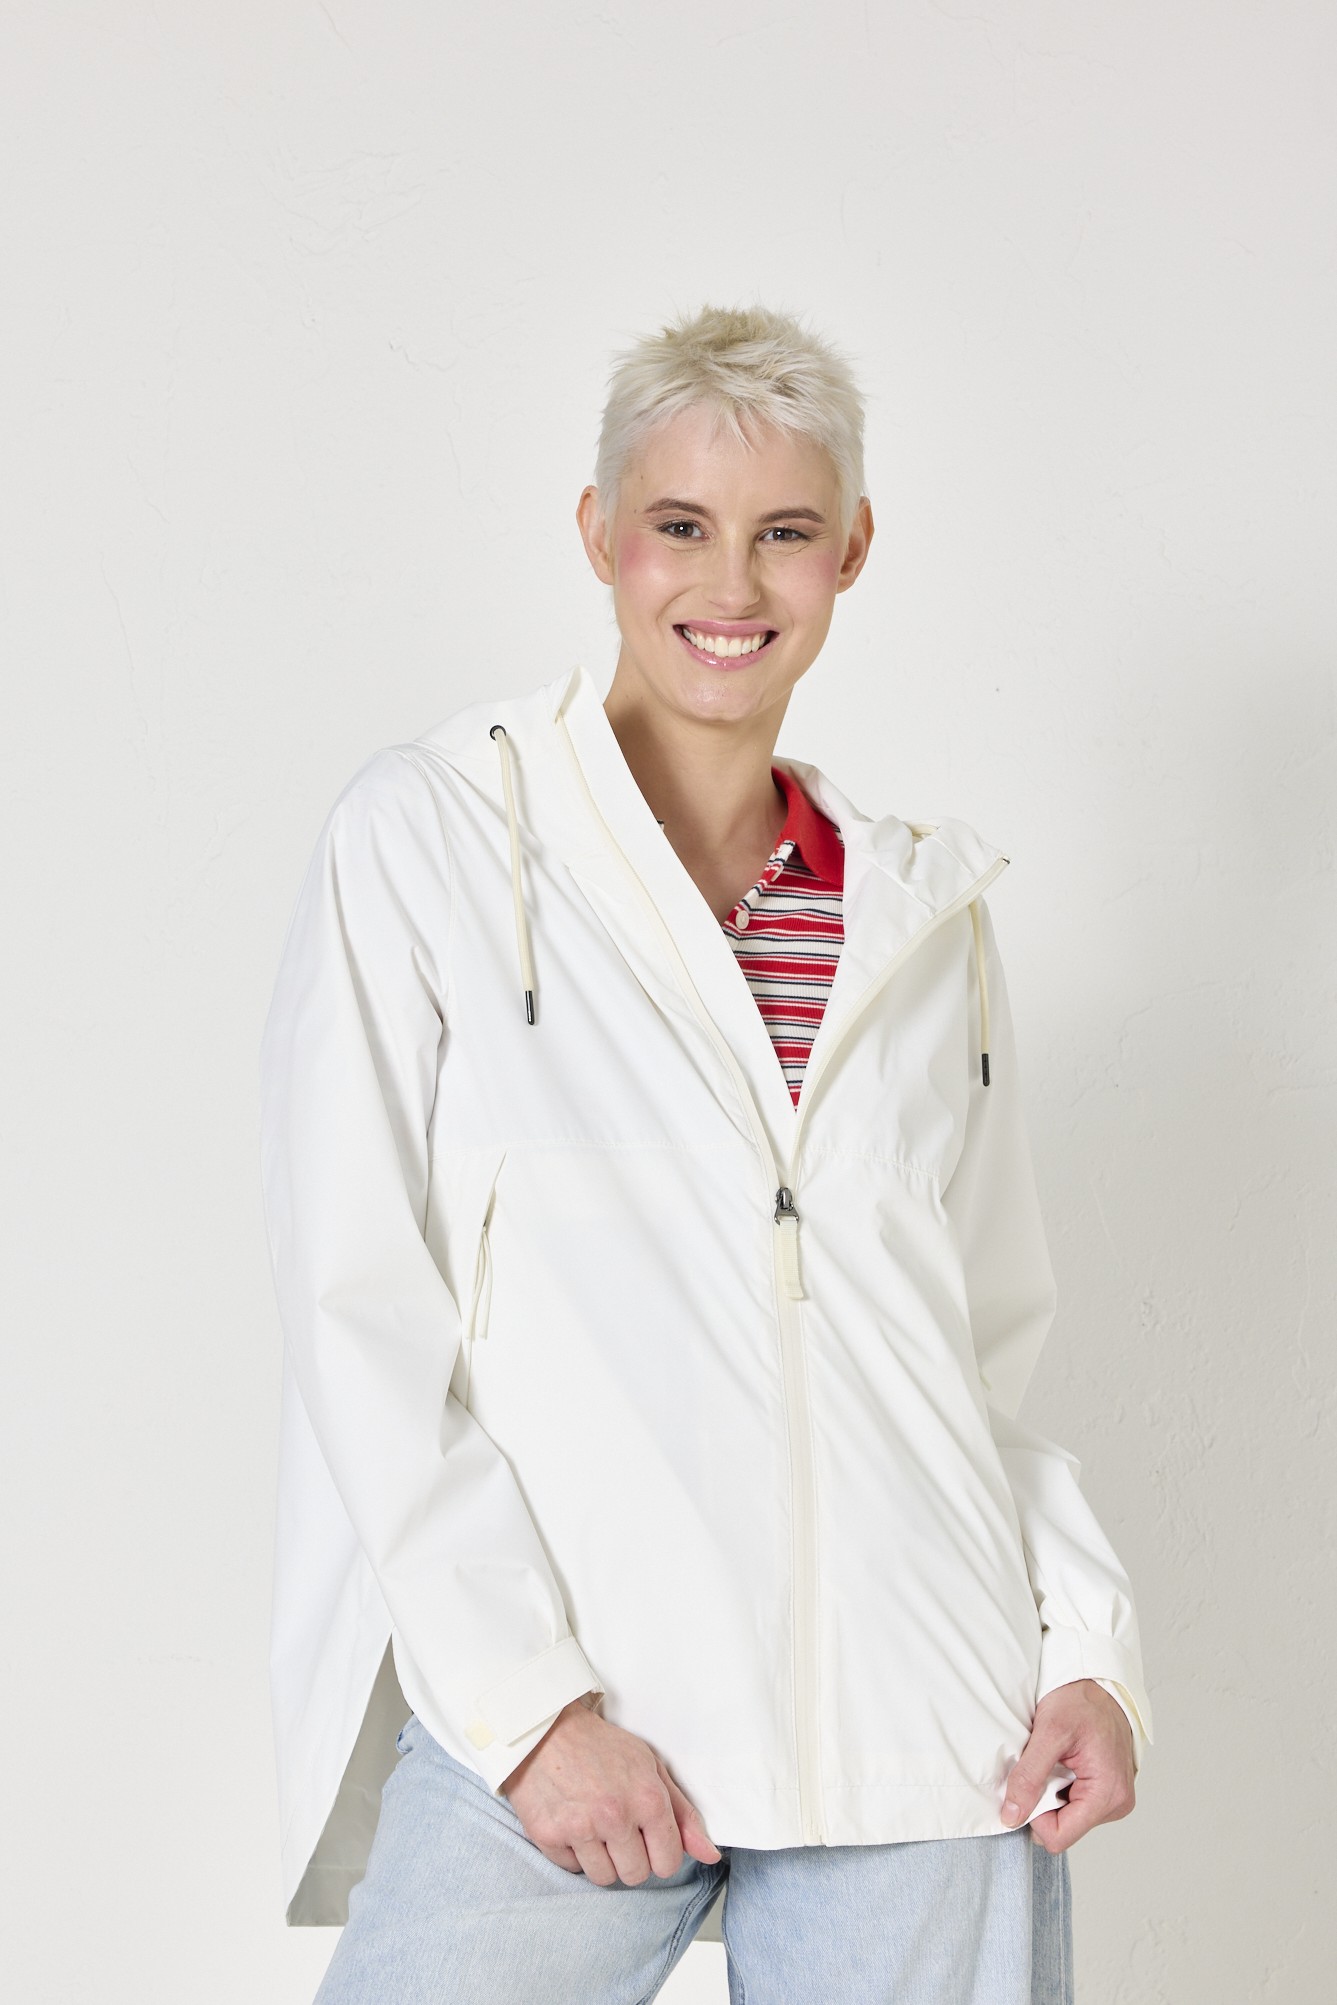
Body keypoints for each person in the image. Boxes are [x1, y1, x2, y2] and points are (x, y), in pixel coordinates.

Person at [258, 303, 1153, 2004]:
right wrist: (528, 1710)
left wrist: (1088, 1651)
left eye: (783, 531)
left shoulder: (920, 917)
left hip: (924, 1735)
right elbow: (356, 1315)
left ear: (851, 550)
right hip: (577, 1710)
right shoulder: (434, 840)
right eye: (679, 523)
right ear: (598, 531)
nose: (730, 583)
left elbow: (973, 1361)